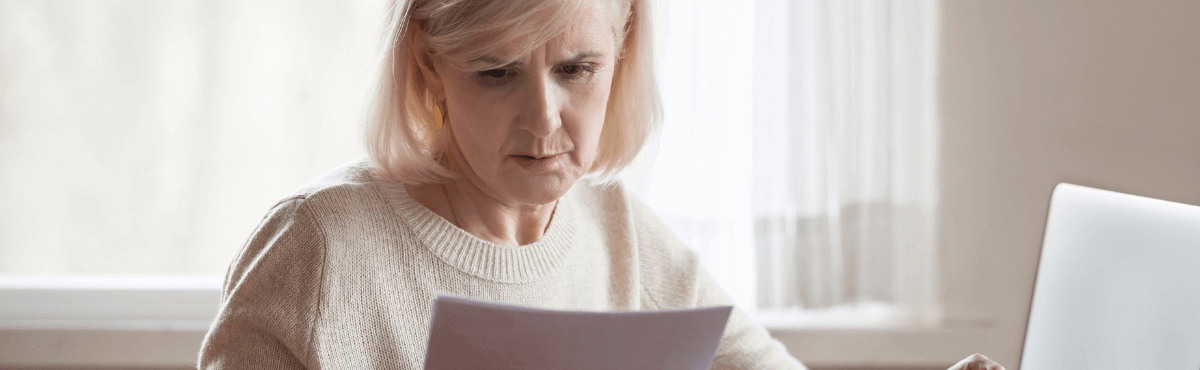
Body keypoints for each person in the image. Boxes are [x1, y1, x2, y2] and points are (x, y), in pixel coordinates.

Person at [198, 0, 1006, 369]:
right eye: (496, 73)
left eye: (576, 69)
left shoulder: (622, 235)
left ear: (624, 52)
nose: (544, 117)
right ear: (429, 67)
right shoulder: (322, 245)